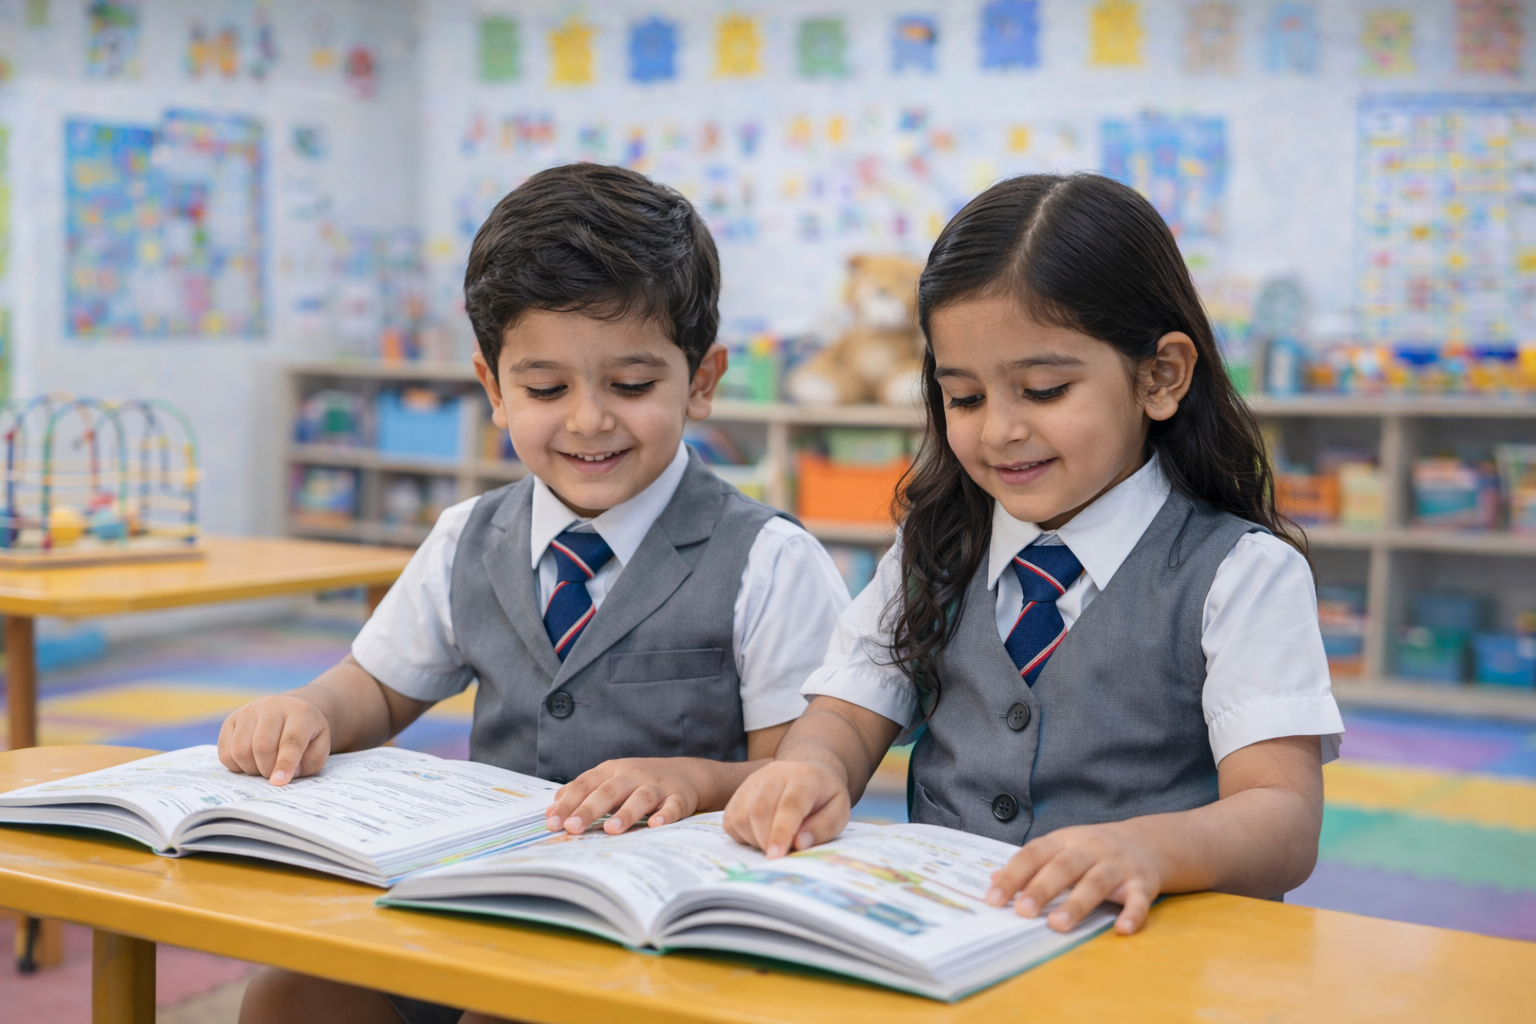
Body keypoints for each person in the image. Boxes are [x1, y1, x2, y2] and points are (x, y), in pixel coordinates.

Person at [229, 163, 849, 1024]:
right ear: (492, 388)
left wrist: (694, 781)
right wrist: (307, 709)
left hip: (667, 932)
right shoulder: (467, 538)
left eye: (631, 386)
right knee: (288, 994)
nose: (589, 420)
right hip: (484, 904)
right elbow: (376, 686)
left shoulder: (770, 560)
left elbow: (798, 777)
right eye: (545, 388)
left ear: (702, 381)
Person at [723, 173, 1344, 940]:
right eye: (966, 398)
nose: (999, 432)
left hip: (1150, 959)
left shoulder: (1243, 574)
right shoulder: (937, 549)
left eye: (1044, 390)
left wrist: (1148, 848)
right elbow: (846, 714)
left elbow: (1283, 820)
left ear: (1160, 376)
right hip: (951, 948)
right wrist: (813, 767)